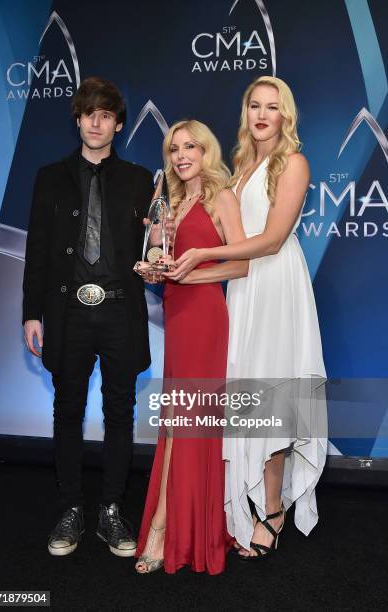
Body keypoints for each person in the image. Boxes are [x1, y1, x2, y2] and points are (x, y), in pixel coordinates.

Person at [166, 76, 327, 559]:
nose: (261, 114)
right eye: (254, 105)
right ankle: (245, 500)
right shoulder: (239, 165)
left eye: (272, 107)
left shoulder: (294, 163)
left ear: (286, 115)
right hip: (243, 286)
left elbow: (273, 239)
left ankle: (272, 510)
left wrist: (204, 252)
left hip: (276, 284)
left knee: (273, 397)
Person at [23, 76, 156, 557]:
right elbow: (37, 251)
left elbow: (154, 246)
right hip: (66, 310)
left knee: (121, 413)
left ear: (118, 124)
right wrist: (30, 313)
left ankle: (112, 511)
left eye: (105, 115)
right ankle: (70, 508)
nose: (96, 122)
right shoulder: (50, 176)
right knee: (67, 411)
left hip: (121, 310)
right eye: (88, 113)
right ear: (77, 119)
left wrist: (158, 256)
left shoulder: (144, 180)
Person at [134, 120, 246, 574]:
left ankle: (163, 526)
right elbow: (164, 260)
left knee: (187, 422)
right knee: (178, 422)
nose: (181, 155)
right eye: (174, 148)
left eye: (190, 147)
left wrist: (189, 274)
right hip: (177, 315)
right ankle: (180, 524)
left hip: (204, 316)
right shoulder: (169, 201)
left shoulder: (222, 197)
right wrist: (155, 265)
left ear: (206, 152)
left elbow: (239, 265)